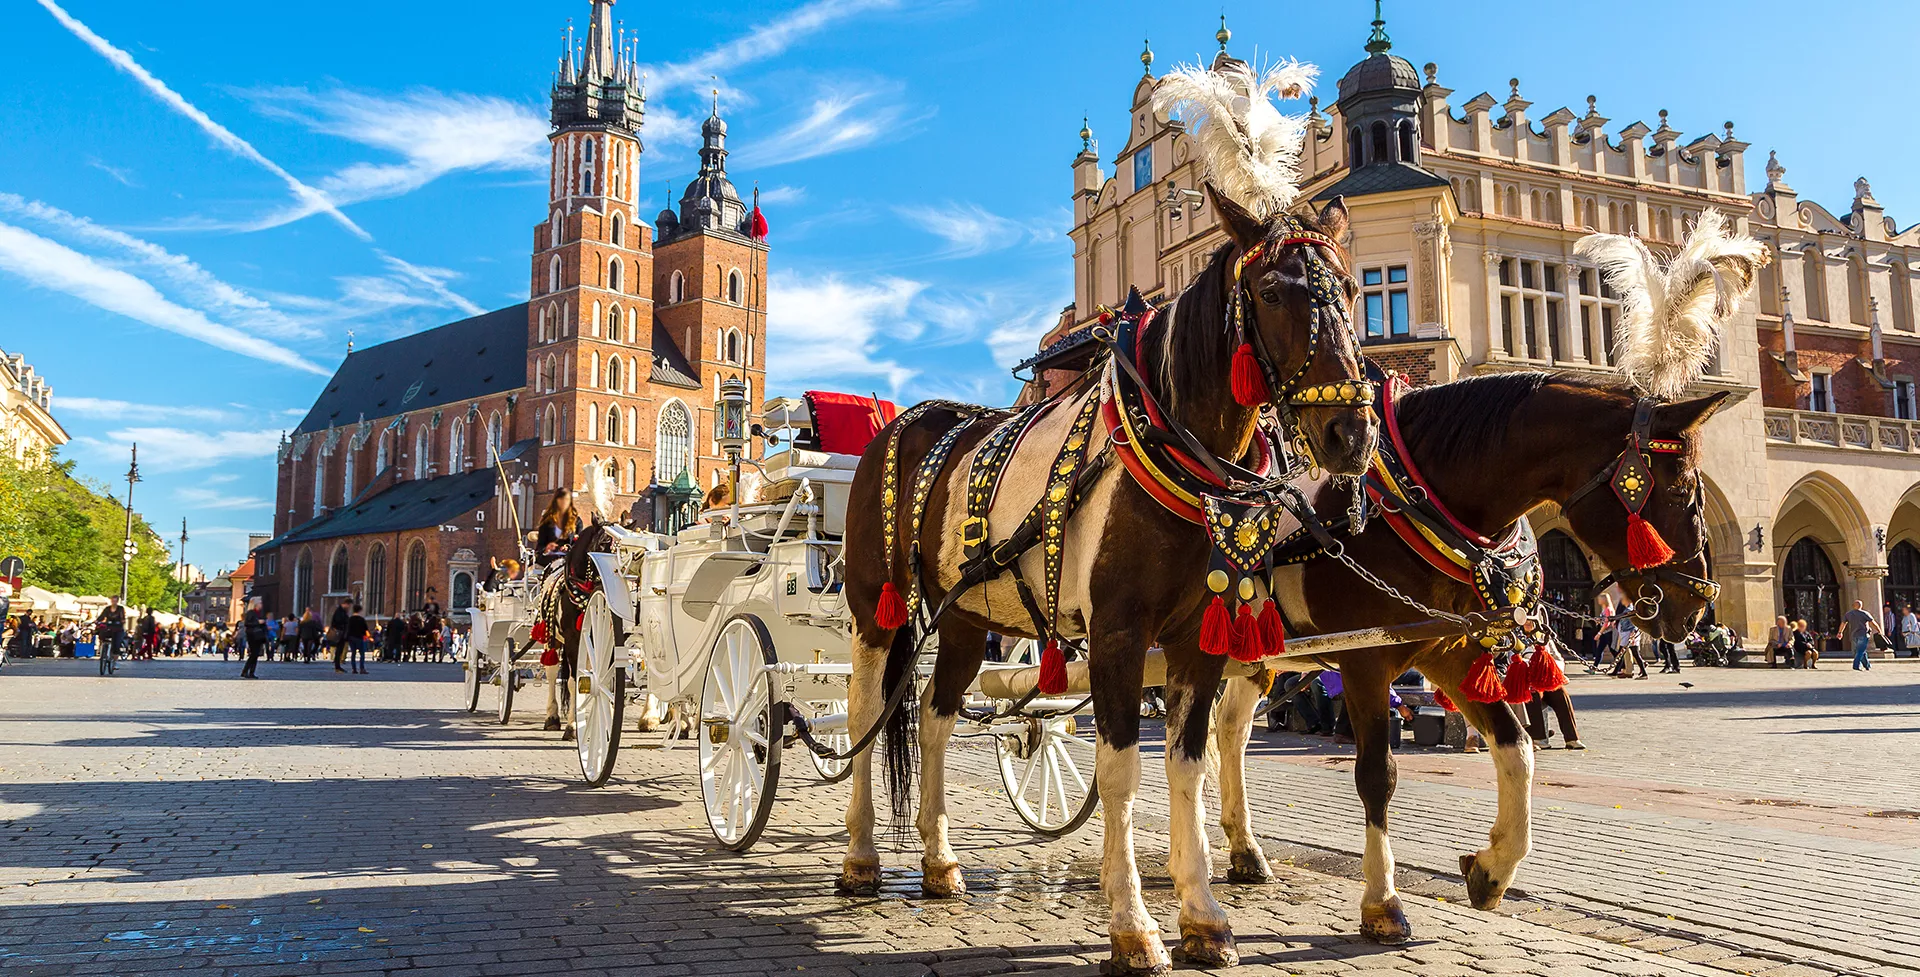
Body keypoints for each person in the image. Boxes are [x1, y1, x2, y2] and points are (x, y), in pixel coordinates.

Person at [536, 488, 582, 567]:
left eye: (567, 499)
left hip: (568, 558)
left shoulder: (576, 521)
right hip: (549, 558)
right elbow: (539, 546)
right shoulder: (547, 521)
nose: (564, 502)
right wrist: (547, 548)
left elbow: (579, 544)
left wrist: (568, 547)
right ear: (556, 500)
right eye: (561, 499)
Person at [1842, 599, 1882, 671]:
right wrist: (1879, 630)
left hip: (1854, 635)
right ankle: (1856, 665)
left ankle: (1867, 665)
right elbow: (1872, 622)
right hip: (1863, 634)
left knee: (1860, 651)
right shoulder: (1864, 613)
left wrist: (1840, 632)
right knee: (1860, 651)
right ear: (1861, 606)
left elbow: (1843, 623)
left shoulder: (1848, 614)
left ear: (1853, 606)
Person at [94, 596, 126, 675]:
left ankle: (115, 662)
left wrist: (122, 621)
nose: (113, 602)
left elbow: (122, 617)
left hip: (118, 627)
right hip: (109, 626)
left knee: (116, 644)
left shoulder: (120, 609)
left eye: (115, 601)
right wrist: (97, 620)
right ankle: (103, 651)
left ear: (117, 601)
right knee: (103, 635)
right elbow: (102, 616)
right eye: (112, 601)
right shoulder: (107, 609)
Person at [241, 597, 270, 678]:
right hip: (253, 635)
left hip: (257, 635)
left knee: (255, 654)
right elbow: (247, 623)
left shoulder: (258, 613)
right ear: (256, 604)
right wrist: (258, 622)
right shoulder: (251, 612)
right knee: (254, 654)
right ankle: (245, 671)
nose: (261, 605)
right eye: (260, 603)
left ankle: (251, 672)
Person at [328, 598, 352, 672]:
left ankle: (337, 665)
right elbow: (339, 622)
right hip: (340, 633)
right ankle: (337, 666)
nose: (349, 607)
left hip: (341, 633)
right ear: (346, 604)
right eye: (349, 605)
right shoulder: (340, 612)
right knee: (339, 650)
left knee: (340, 650)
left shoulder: (341, 611)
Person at [346, 603, 370, 675]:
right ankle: (362, 668)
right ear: (359, 611)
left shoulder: (350, 619)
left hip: (351, 637)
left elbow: (347, 629)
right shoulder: (361, 619)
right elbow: (365, 629)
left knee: (353, 653)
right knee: (362, 654)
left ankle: (354, 669)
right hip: (359, 637)